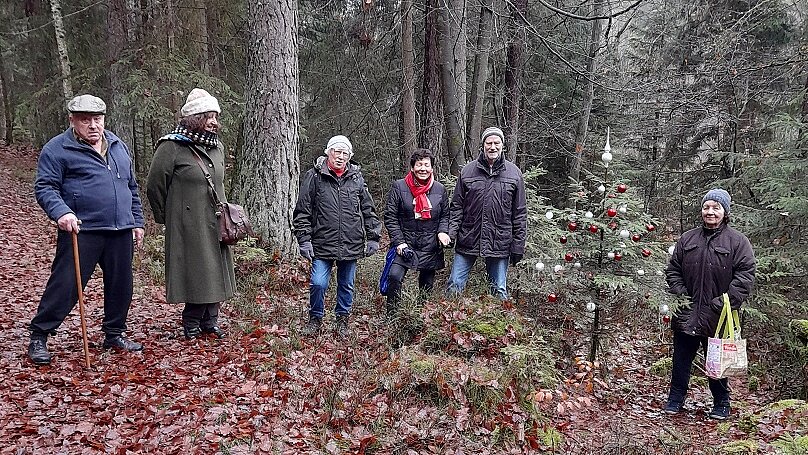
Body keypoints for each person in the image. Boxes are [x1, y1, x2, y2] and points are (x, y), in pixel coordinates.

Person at [28, 94, 145, 365]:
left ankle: (114, 333)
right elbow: (45, 187)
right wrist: (62, 212)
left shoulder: (117, 145)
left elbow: (130, 186)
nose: (93, 125)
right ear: (72, 120)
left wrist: (137, 221)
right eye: (85, 120)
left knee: (121, 284)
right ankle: (39, 334)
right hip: (81, 229)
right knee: (66, 284)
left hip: (120, 228)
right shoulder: (57, 149)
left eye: (97, 119)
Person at [146, 88, 235, 340]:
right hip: (188, 223)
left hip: (216, 221)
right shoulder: (172, 146)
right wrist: (168, 217)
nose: (214, 122)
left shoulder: (217, 147)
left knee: (216, 271)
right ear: (195, 118)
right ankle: (192, 321)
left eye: (215, 116)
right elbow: (155, 185)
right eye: (208, 117)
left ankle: (210, 321)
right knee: (197, 272)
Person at [664, 188, 755, 420]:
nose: (710, 212)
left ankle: (721, 403)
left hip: (718, 315)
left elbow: (745, 276)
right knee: (681, 360)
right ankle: (675, 400)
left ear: (725, 212)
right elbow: (673, 270)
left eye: (716, 207)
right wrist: (681, 294)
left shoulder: (738, 242)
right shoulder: (688, 239)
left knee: (717, 361)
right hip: (687, 311)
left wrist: (724, 302)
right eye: (706, 207)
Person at [293, 135, 382, 338]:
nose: (341, 157)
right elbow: (302, 210)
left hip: (351, 242)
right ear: (328, 152)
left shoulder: (356, 178)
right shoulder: (314, 176)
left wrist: (373, 237)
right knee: (318, 283)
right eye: (337, 152)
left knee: (346, 285)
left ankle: (342, 320)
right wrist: (304, 240)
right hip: (321, 242)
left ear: (349, 156)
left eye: (345, 153)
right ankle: (315, 319)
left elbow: (368, 209)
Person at [446, 126, 527, 300]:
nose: (492, 147)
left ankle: (501, 317)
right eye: (489, 143)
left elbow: (519, 213)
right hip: (468, 237)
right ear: (483, 145)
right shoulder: (467, 171)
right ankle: (449, 316)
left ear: (502, 145)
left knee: (498, 290)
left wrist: (518, 245)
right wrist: (451, 234)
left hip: (500, 241)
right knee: (454, 285)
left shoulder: (514, 174)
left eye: (496, 143)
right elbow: (457, 206)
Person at [383, 148, 451, 317]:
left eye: (426, 165)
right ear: (412, 167)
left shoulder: (440, 189)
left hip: (430, 246)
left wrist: (443, 232)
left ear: (432, 168)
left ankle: (422, 316)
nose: (423, 169)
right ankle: (393, 316)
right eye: (419, 164)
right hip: (405, 244)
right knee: (394, 277)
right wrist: (399, 242)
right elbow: (390, 217)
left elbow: (445, 215)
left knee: (426, 285)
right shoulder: (399, 186)